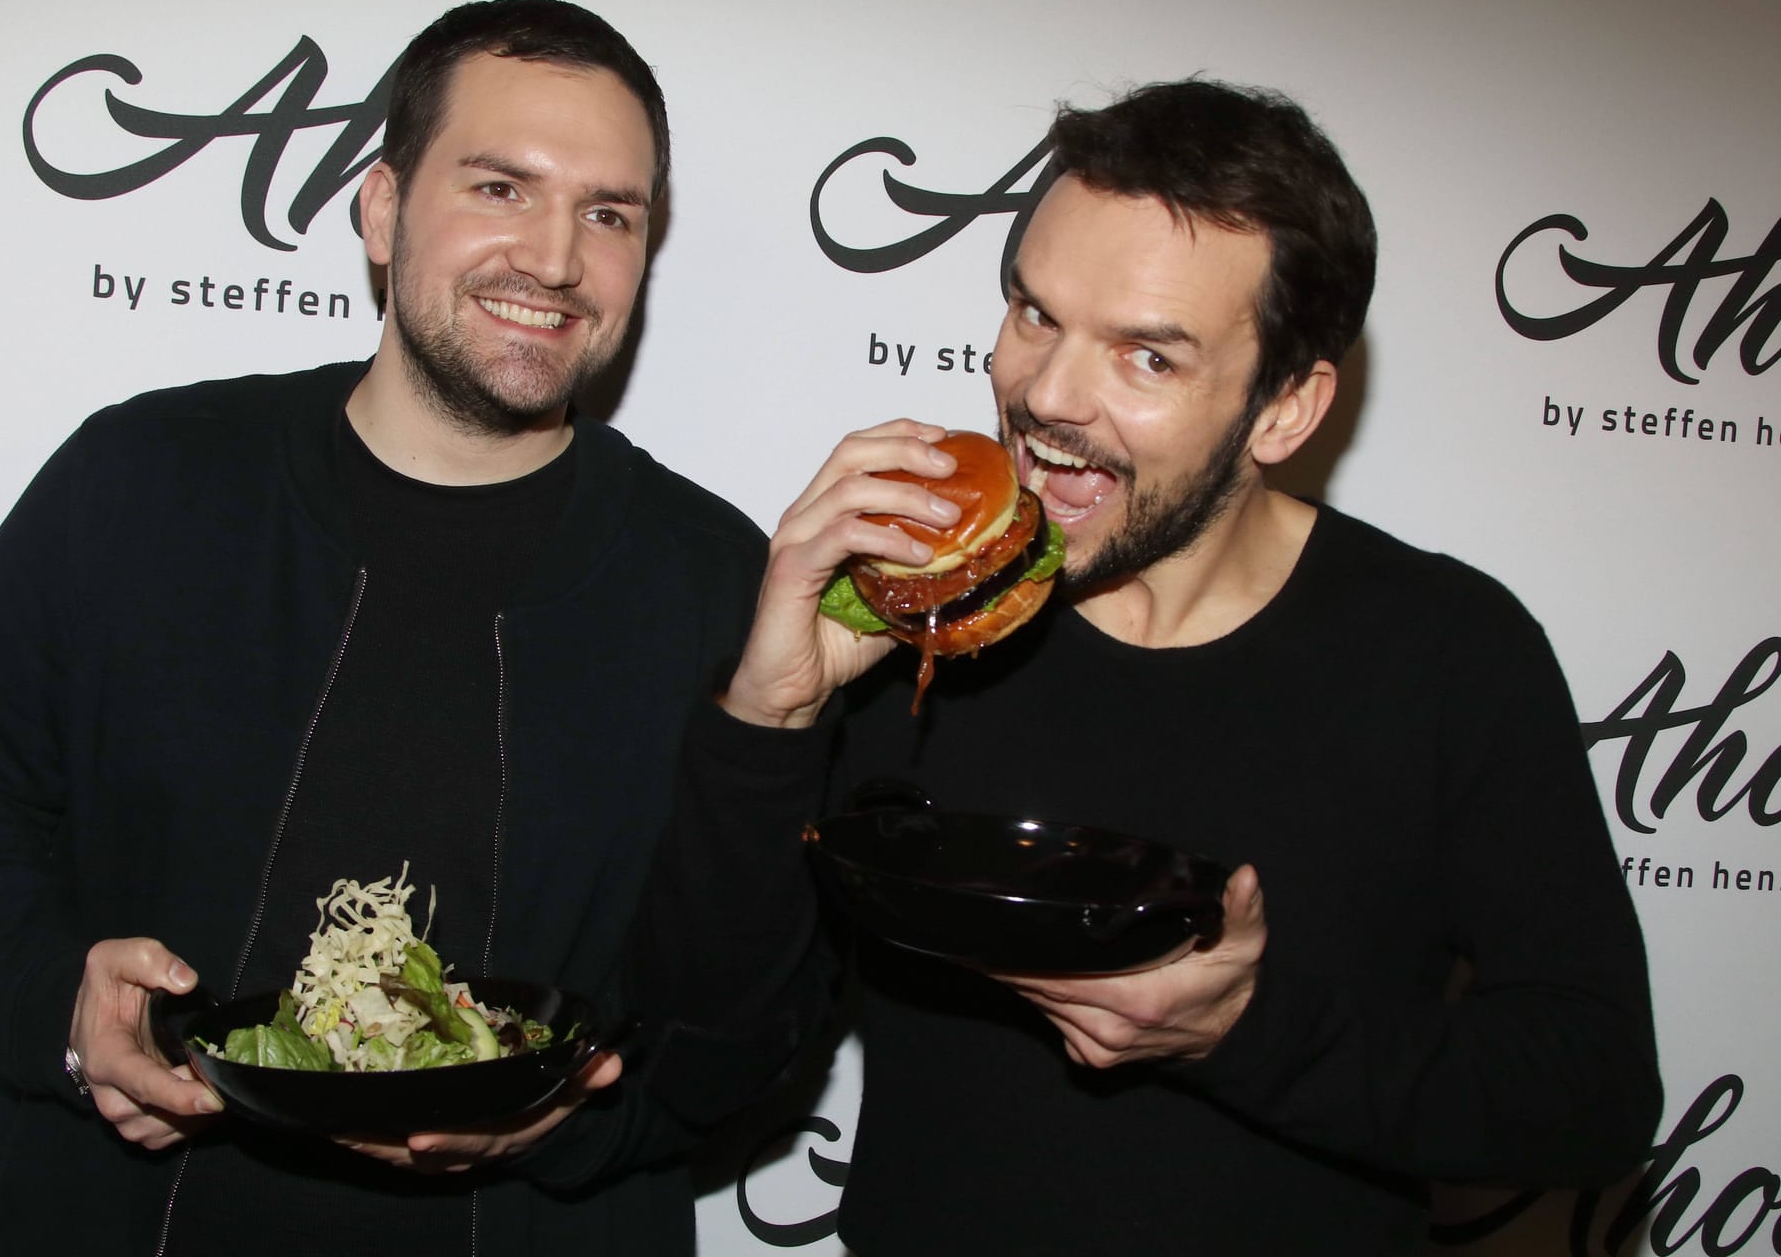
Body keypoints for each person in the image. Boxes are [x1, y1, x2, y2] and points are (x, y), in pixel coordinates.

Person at [631, 80, 1663, 1254]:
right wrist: (775, 710)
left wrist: (1248, 1027)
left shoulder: (1450, 652)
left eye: (1148, 357)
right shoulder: (914, 613)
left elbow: (1594, 1092)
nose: (1049, 396)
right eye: (1035, 312)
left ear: (1285, 406)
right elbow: (705, 1062)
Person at [0, 0, 766, 1256]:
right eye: (501, 186)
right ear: (383, 209)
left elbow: (755, 1015)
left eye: (610, 214)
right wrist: (61, 1002)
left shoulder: (720, 581)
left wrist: (568, 1124)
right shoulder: (150, 475)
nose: (555, 259)